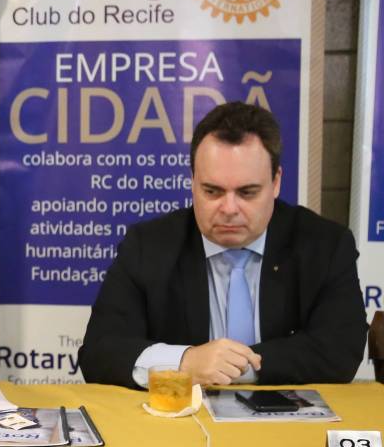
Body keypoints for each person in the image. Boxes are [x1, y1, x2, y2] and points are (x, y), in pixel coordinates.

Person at [79, 102, 366, 388]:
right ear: (193, 182)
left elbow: (340, 350)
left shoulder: (325, 246)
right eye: (212, 191)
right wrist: (184, 363)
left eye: (247, 192)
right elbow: (99, 352)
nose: (229, 209)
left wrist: (235, 367)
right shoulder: (148, 246)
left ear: (276, 182)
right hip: (182, 415)